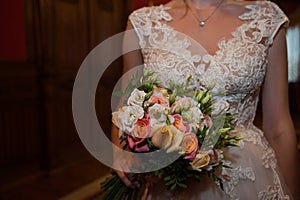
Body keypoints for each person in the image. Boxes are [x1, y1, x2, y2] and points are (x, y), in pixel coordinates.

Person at [111, 0, 300, 199]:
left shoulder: (266, 18)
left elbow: (278, 127)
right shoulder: (143, 23)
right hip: (170, 180)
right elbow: (124, 111)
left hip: (249, 176)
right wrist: (121, 154)